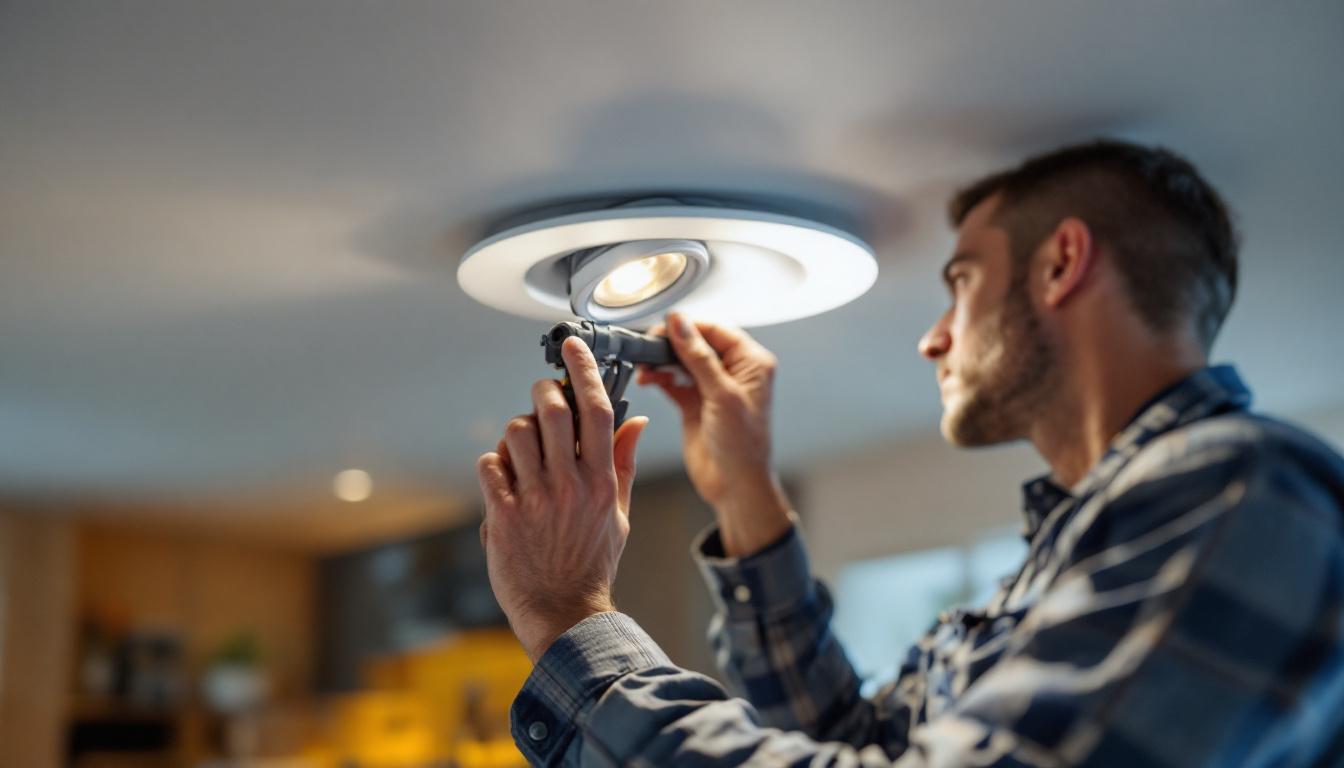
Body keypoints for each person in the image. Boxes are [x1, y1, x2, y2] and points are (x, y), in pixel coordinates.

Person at [475, 139, 1344, 766]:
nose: (933, 339)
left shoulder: (1249, 489)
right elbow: (851, 744)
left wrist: (571, 620)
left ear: (1061, 264)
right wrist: (746, 496)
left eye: (962, 282)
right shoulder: (1069, 564)